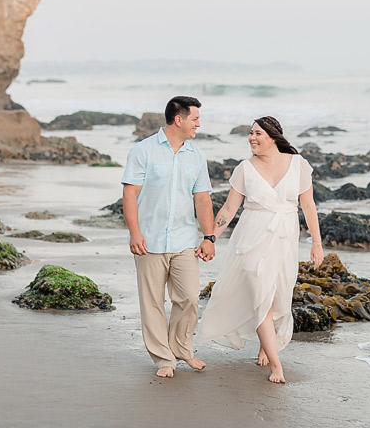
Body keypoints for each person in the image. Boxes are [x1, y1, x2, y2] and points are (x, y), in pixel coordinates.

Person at [198, 116, 323, 384]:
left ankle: (263, 344)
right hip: (252, 239)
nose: (252, 138)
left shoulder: (298, 166)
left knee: (279, 297)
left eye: (258, 134)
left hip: (285, 240)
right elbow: (229, 209)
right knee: (262, 300)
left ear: (273, 137)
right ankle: (277, 365)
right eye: (250, 133)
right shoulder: (245, 169)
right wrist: (210, 238)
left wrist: (316, 242)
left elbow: (309, 206)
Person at [121, 96, 216, 378]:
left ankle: (182, 348)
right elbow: (130, 194)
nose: (199, 124)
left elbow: (203, 199)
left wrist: (209, 237)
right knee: (152, 302)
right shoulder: (144, 151)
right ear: (179, 119)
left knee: (188, 297)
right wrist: (134, 233)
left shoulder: (196, 156)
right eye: (195, 119)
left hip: (184, 239)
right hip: (149, 240)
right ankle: (164, 358)